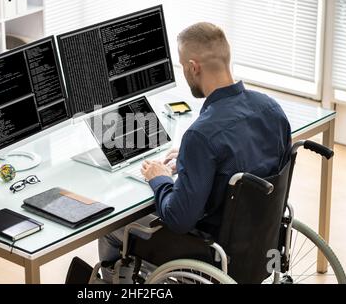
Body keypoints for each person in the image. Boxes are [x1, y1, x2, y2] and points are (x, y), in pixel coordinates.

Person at [98, 22, 292, 282]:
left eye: (181, 66)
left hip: (213, 251)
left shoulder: (201, 135)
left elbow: (178, 219)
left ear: (193, 67)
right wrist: (193, 161)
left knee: (113, 229)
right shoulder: (271, 109)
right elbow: (247, 163)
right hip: (260, 242)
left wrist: (160, 177)